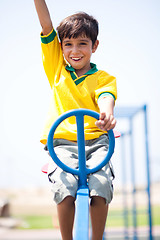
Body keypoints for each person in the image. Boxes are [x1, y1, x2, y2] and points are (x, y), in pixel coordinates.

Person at [34, 1, 117, 239]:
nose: (75, 50)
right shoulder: (57, 69)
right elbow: (46, 25)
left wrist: (106, 114)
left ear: (95, 45)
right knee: (64, 186)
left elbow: (106, 97)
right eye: (68, 44)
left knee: (101, 184)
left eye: (83, 43)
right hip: (62, 144)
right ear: (60, 48)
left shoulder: (103, 78)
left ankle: (96, 237)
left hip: (97, 143)